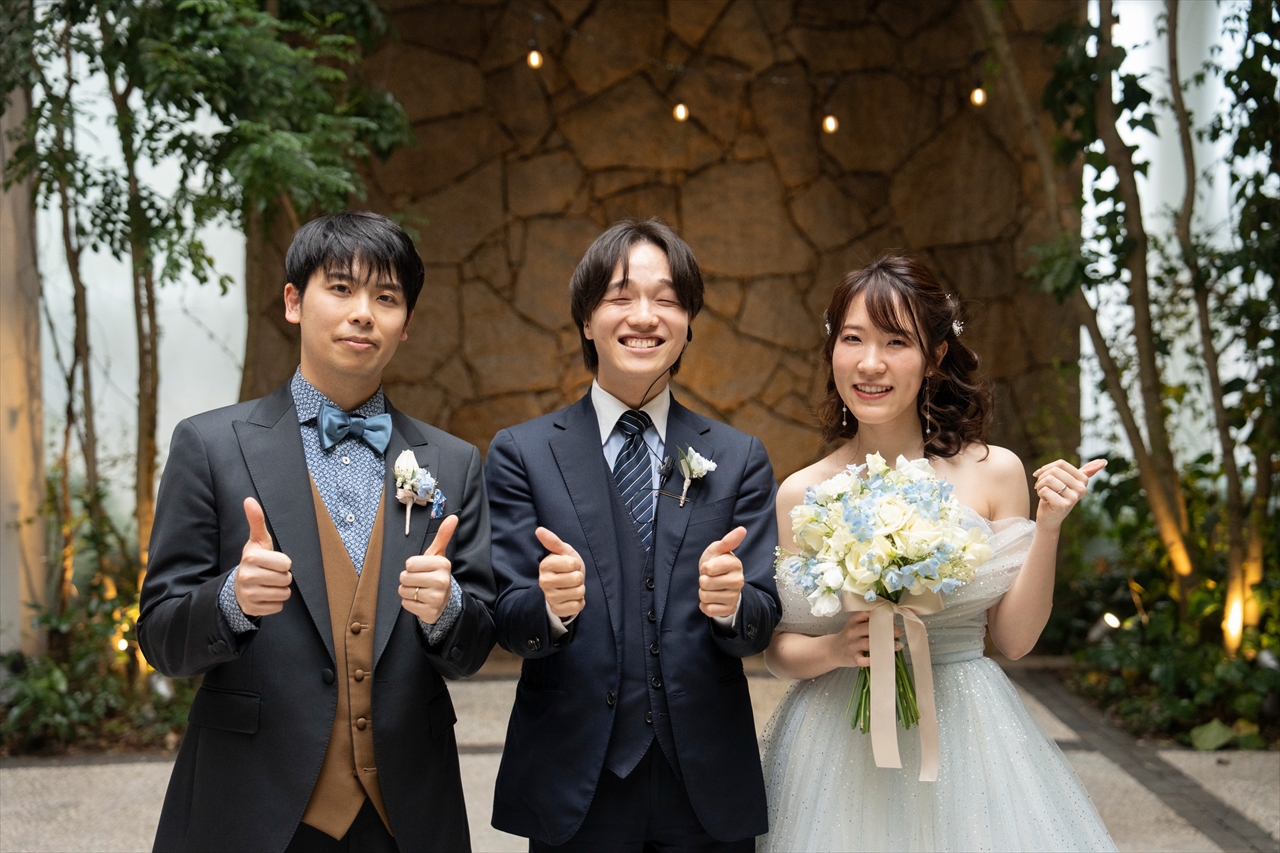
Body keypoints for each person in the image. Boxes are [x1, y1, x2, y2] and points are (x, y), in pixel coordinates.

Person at [138, 211, 496, 853]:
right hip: (252, 805)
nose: (363, 313)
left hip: (405, 810)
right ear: (293, 302)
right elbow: (161, 638)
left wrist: (447, 611)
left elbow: (472, 649)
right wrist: (231, 600)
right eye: (340, 288)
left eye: (386, 298)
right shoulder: (209, 447)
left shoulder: (453, 463)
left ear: (406, 324)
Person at [758, 256, 1116, 852]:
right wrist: (835, 648)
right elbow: (778, 651)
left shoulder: (994, 472)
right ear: (832, 350)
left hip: (966, 729)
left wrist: (1048, 528)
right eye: (853, 339)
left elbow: (1015, 641)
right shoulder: (802, 492)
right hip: (835, 739)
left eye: (897, 341)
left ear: (935, 357)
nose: (870, 363)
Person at [486, 219, 781, 851]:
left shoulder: (739, 457)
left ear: (688, 323)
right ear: (586, 320)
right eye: (620, 297)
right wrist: (550, 608)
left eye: (667, 299)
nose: (644, 316)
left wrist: (734, 607)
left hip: (704, 782)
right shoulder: (522, 453)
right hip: (574, 779)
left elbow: (761, 620)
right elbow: (507, 618)